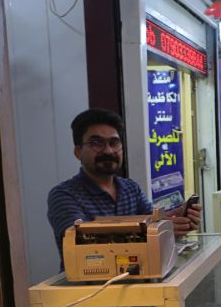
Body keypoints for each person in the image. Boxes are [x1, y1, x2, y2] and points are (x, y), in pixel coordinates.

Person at [47, 108, 202, 265]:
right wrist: (160, 231)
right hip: (86, 287)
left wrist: (176, 222)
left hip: (135, 280)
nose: (108, 150)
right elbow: (82, 243)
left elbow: (151, 225)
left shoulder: (130, 188)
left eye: (114, 143)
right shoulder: (64, 195)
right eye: (96, 143)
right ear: (78, 152)